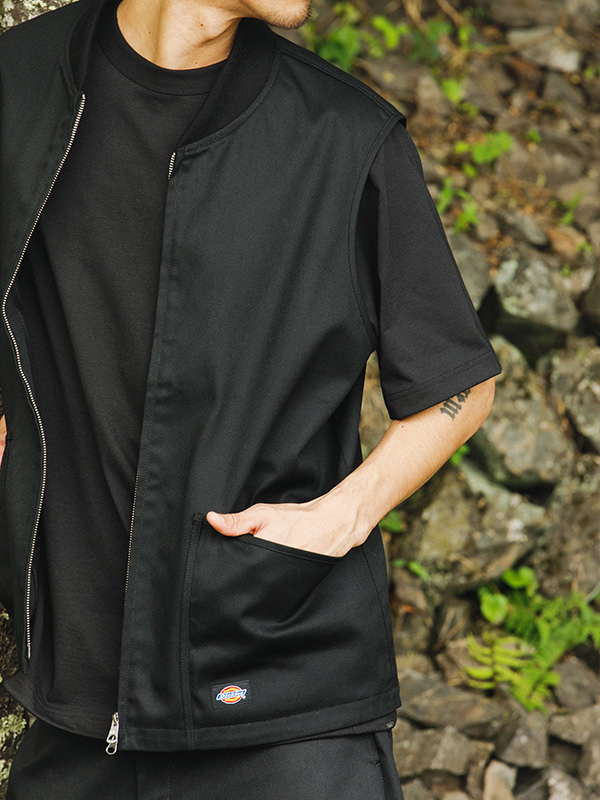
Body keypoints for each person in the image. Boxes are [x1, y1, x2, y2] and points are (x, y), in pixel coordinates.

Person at [0, 0, 501, 795]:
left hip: (286, 716)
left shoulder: (343, 136)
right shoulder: (19, 82)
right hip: (73, 718)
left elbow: (459, 380)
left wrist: (345, 514)